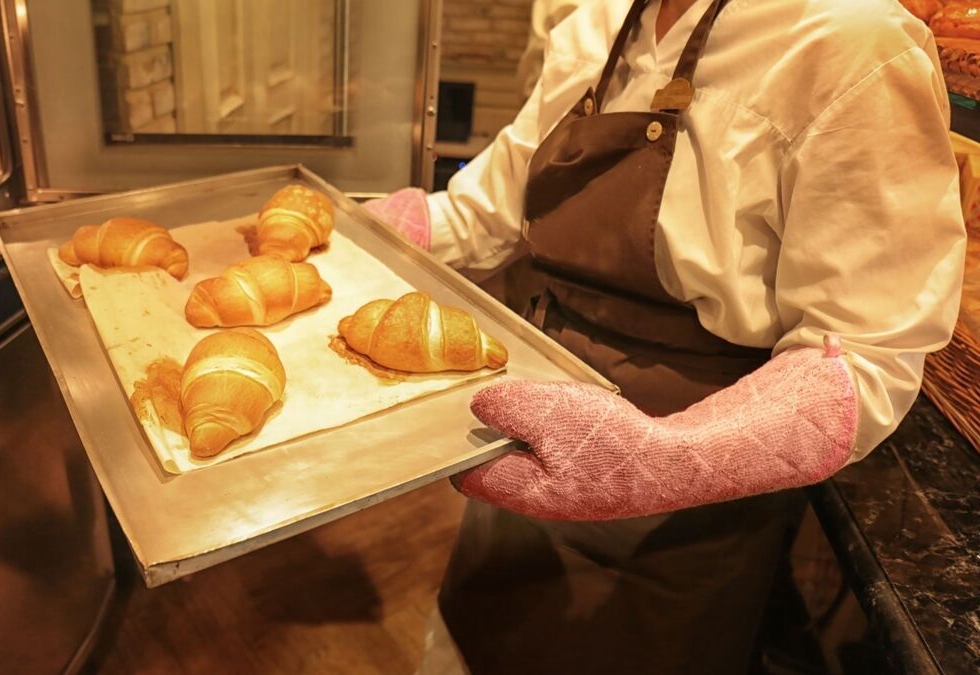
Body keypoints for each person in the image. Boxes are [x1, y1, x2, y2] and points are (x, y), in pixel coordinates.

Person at [364, 0, 967, 673]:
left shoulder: (852, 43)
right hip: (520, 457)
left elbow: (865, 351)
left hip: (682, 523)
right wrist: (370, 233)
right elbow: (490, 210)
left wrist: (666, 457)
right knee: (471, 646)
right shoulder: (598, 22)